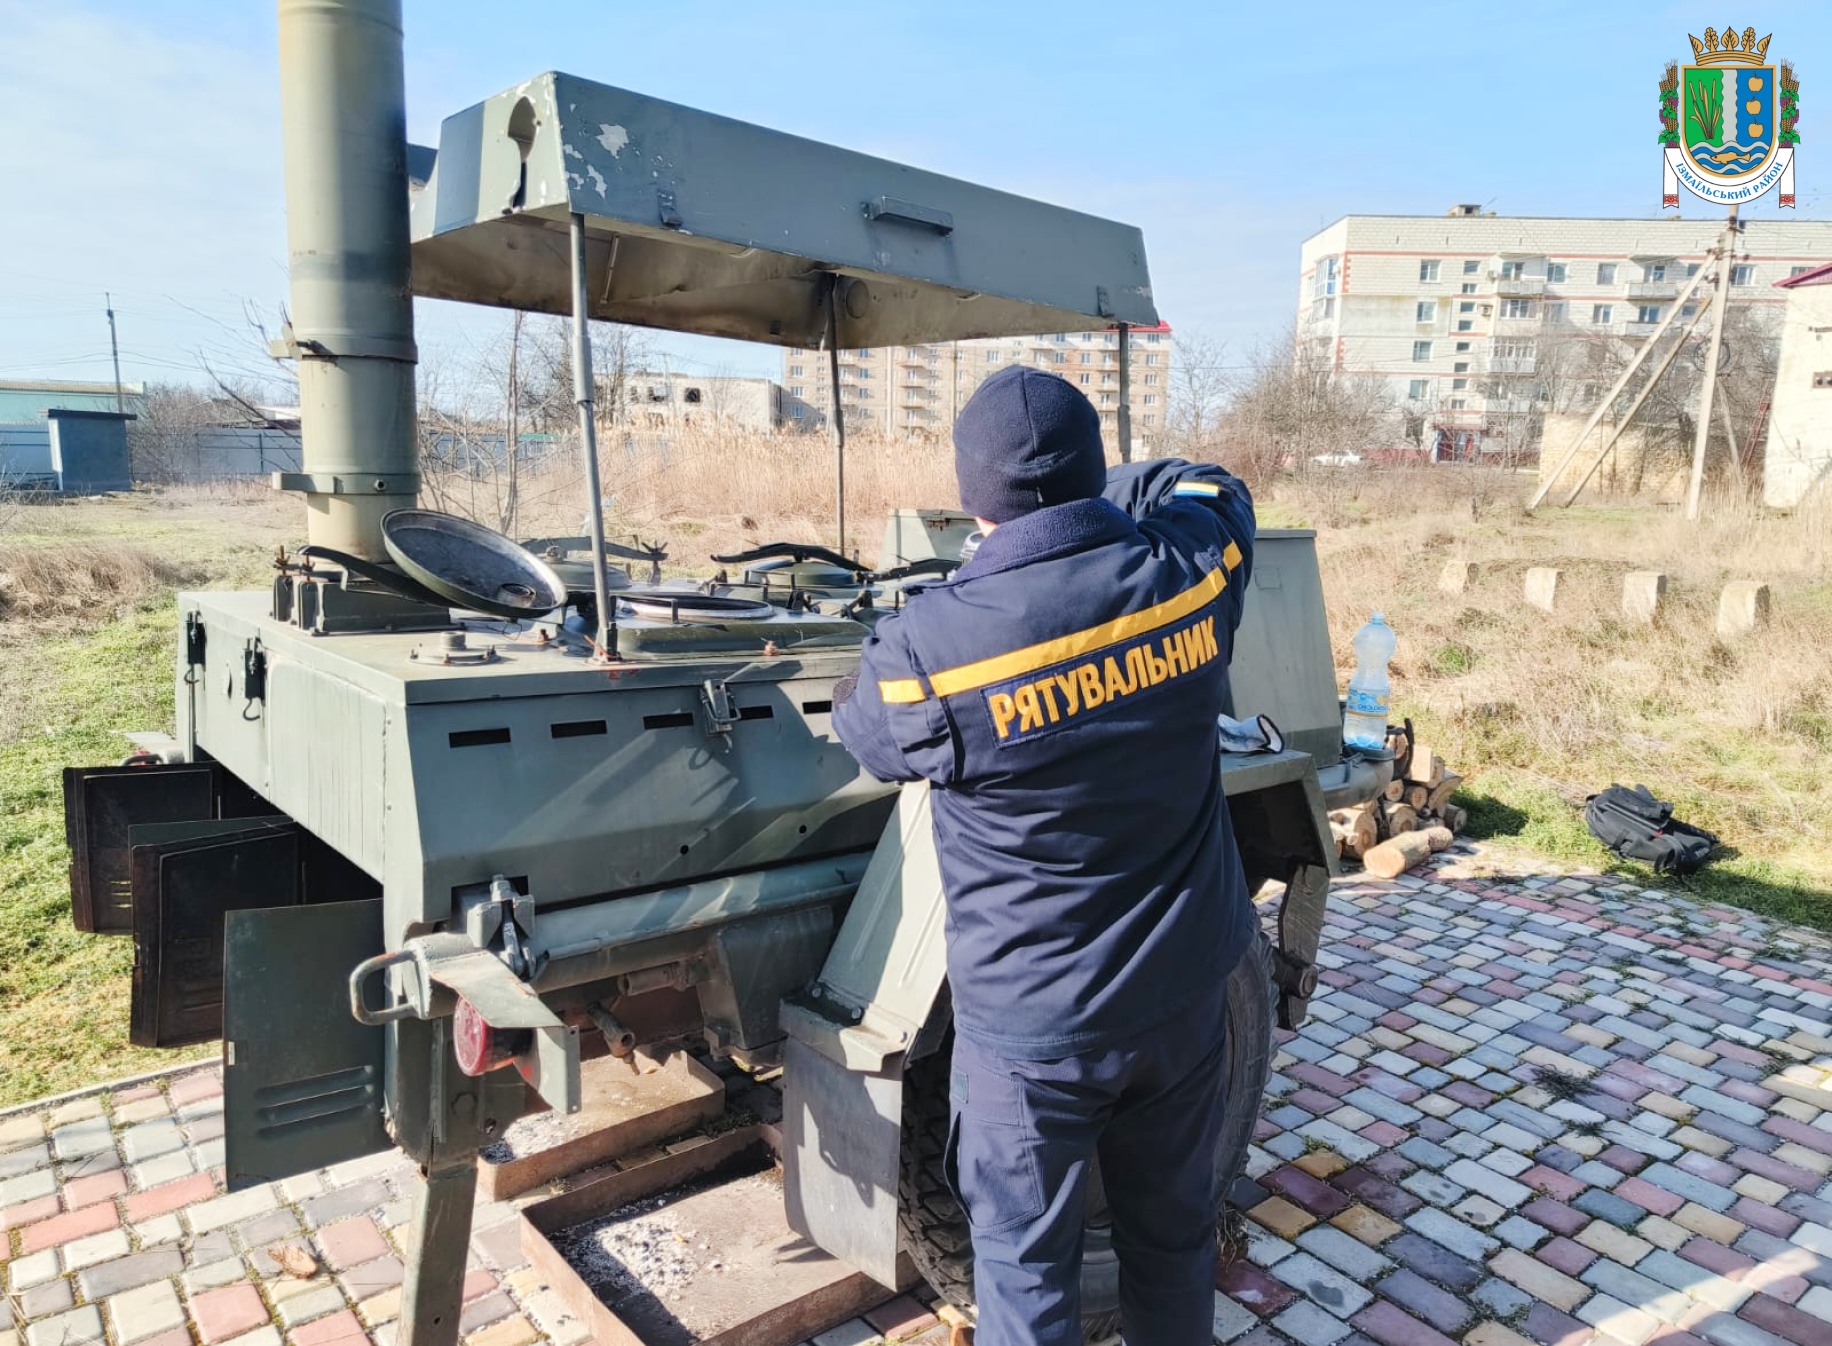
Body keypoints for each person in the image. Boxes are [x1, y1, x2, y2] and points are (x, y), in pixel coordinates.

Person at [832, 366, 1258, 1346]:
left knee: (1026, 1280)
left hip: (1035, 1037)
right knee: (1172, 1239)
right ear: (1092, 465)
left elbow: (863, 731)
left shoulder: (930, 649)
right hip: (1182, 994)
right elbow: (1214, 487)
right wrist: (1110, 493)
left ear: (971, 497)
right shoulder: (1188, 575)